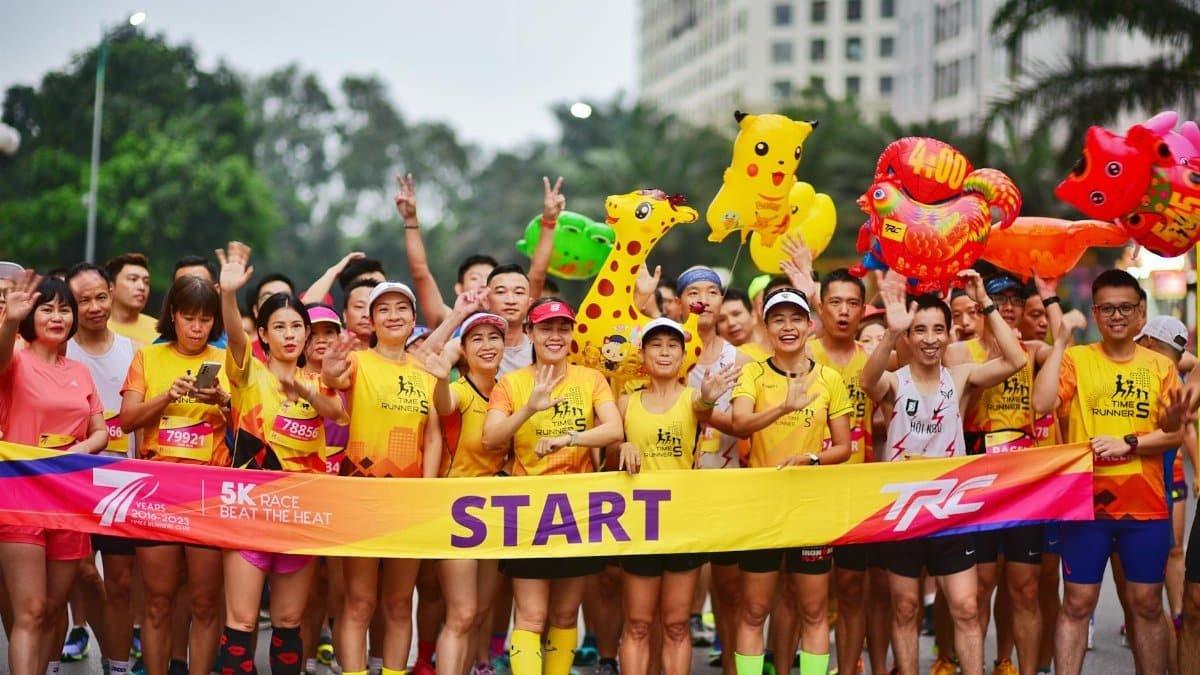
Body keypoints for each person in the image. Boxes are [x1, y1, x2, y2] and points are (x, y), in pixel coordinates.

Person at [860, 270, 1027, 675]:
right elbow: (867, 380)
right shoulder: (894, 383)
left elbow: (1016, 359)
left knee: (967, 607)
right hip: (901, 509)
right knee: (905, 606)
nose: (930, 338)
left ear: (950, 334)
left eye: (939, 329)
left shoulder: (961, 377)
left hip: (951, 507)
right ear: (908, 336)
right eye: (919, 330)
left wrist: (984, 301)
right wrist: (888, 334)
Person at [1032, 269, 1183, 675]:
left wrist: (1128, 443)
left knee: (1148, 604)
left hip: (1146, 505)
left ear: (1140, 313)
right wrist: (1062, 338)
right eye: (1107, 308)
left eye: (1125, 308)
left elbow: (1173, 436)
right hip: (1085, 504)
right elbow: (1042, 403)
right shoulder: (1078, 360)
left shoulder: (1161, 367)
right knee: (1077, 603)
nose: (1116, 316)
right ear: (1095, 312)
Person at [213, 242, 346, 675]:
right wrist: (228, 295)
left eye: (297, 327)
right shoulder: (247, 372)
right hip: (248, 511)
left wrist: (307, 390)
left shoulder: (320, 381)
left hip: (299, 515)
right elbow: (234, 333)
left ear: (307, 335)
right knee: (241, 624)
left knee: (289, 625)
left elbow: (336, 413)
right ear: (264, 335)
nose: (290, 334)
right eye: (279, 327)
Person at [482, 297, 623, 675]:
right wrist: (529, 408)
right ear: (529, 333)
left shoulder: (590, 379)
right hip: (527, 510)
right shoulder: (511, 383)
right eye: (546, 328)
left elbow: (614, 429)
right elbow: (491, 437)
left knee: (564, 614)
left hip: (577, 507)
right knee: (531, 615)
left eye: (563, 328)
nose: (555, 336)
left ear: (573, 333)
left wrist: (572, 439)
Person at [729, 288, 852, 675]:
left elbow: (845, 447)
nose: (787, 326)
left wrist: (811, 458)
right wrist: (784, 405)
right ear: (765, 327)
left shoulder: (829, 378)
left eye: (795, 318)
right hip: (762, 506)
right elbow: (740, 424)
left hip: (809, 506)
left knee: (814, 610)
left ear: (809, 325)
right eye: (778, 319)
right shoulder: (753, 372)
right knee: (753, 610)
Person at [322, 281, 442, 675]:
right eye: (383, 310)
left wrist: (426, 490)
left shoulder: (427, 368)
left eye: (401, 309)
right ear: (371, 321)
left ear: (413, 319)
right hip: (361, 496)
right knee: (360, 602)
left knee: (398, 601)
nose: (393, 316)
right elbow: (334, 382)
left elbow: (433, 433)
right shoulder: (358, 362)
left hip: (408, 501)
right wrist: (330, 369)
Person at [945, 272, 1062, 675]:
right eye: (1000, 299)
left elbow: (1064, 345)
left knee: (1025, 589)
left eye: (1015, 299)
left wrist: (1049, 298)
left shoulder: (1034, 350)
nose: (1009, 306)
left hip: (1024, 478)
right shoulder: (962, 354)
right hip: (978, 470)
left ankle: (1016, 666)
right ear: (981, 305)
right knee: (977, 588)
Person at [120, 275, 232, 675]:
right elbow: (127, 420)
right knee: (157, 600)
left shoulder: (226, 361)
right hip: (156, 492)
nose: (197, 327)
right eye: (189, 317)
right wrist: (168, 395)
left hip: (209, 494)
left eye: (205, 319)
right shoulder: (148, 358)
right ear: (173, 315)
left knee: (204, 601)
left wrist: (224, 402)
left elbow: (256, 425)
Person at [614, 317, 738, 675]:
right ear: (643, 353)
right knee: (637, 623)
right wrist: (622, 444)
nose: (665, 352)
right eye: (656, 345)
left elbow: (704, 408)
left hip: (683, 524)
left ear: (684, 355)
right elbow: (607, 459)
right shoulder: (625, 403)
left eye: (672, 345)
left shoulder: (692, 399)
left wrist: (711, 398)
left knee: (676, 624)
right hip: (638, 525)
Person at [0, 272, 108, 675]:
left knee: (49, 610)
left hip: (67, 499)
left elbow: (99, 431)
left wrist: (74, 454)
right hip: (19, 497)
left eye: (65, 308)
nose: (57, 316)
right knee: (28, 610)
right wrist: (9, 321)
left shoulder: (79, 372)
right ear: (31, 315)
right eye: (47, 308)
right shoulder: (14, 357)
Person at [413, 304, 508, 675]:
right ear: (463, 351)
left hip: (498, 512)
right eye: (477, 339)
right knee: (462, 613)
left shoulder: (511, 392)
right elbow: (445, 405)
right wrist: (439, 378)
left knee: (480, 613)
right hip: (457, 512)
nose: (487, 346)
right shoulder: (456, 390)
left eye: (494, 338)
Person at [674, 265, 751, 675]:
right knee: (667, 594)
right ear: (679, 301)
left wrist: (698, 407)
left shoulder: (739, 358)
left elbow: (740, 423)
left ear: (721, 301)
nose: (701, 299)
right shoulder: (664, 347)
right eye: (692, 292)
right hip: (672, 485)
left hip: (724, 480)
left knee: (729, 586)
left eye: (711, 292)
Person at [65, 263, 141, 675]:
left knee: (122, 583)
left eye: (99, 297)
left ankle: (118, 663)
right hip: (73, 482)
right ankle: (102, 640)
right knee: (79, 571)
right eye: (82, 301)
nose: (93, 307)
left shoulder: (133, 351)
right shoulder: (62, 350)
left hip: (122, 484)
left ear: (111, 294)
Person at [397, 173, 556, 327]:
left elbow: (538, 273)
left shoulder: (516, 318)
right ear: (459, 288)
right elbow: (420, 273)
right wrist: (410, 219)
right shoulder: (447, 322)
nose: (482, 284)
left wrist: (549, 221)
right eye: (474, 278)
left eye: (488, 279)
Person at [105, 253, 158, 347]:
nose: (142, 287)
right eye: (133, 279)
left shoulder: (158, 331)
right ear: (111, 286)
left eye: (146, 282)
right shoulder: (96, 328)